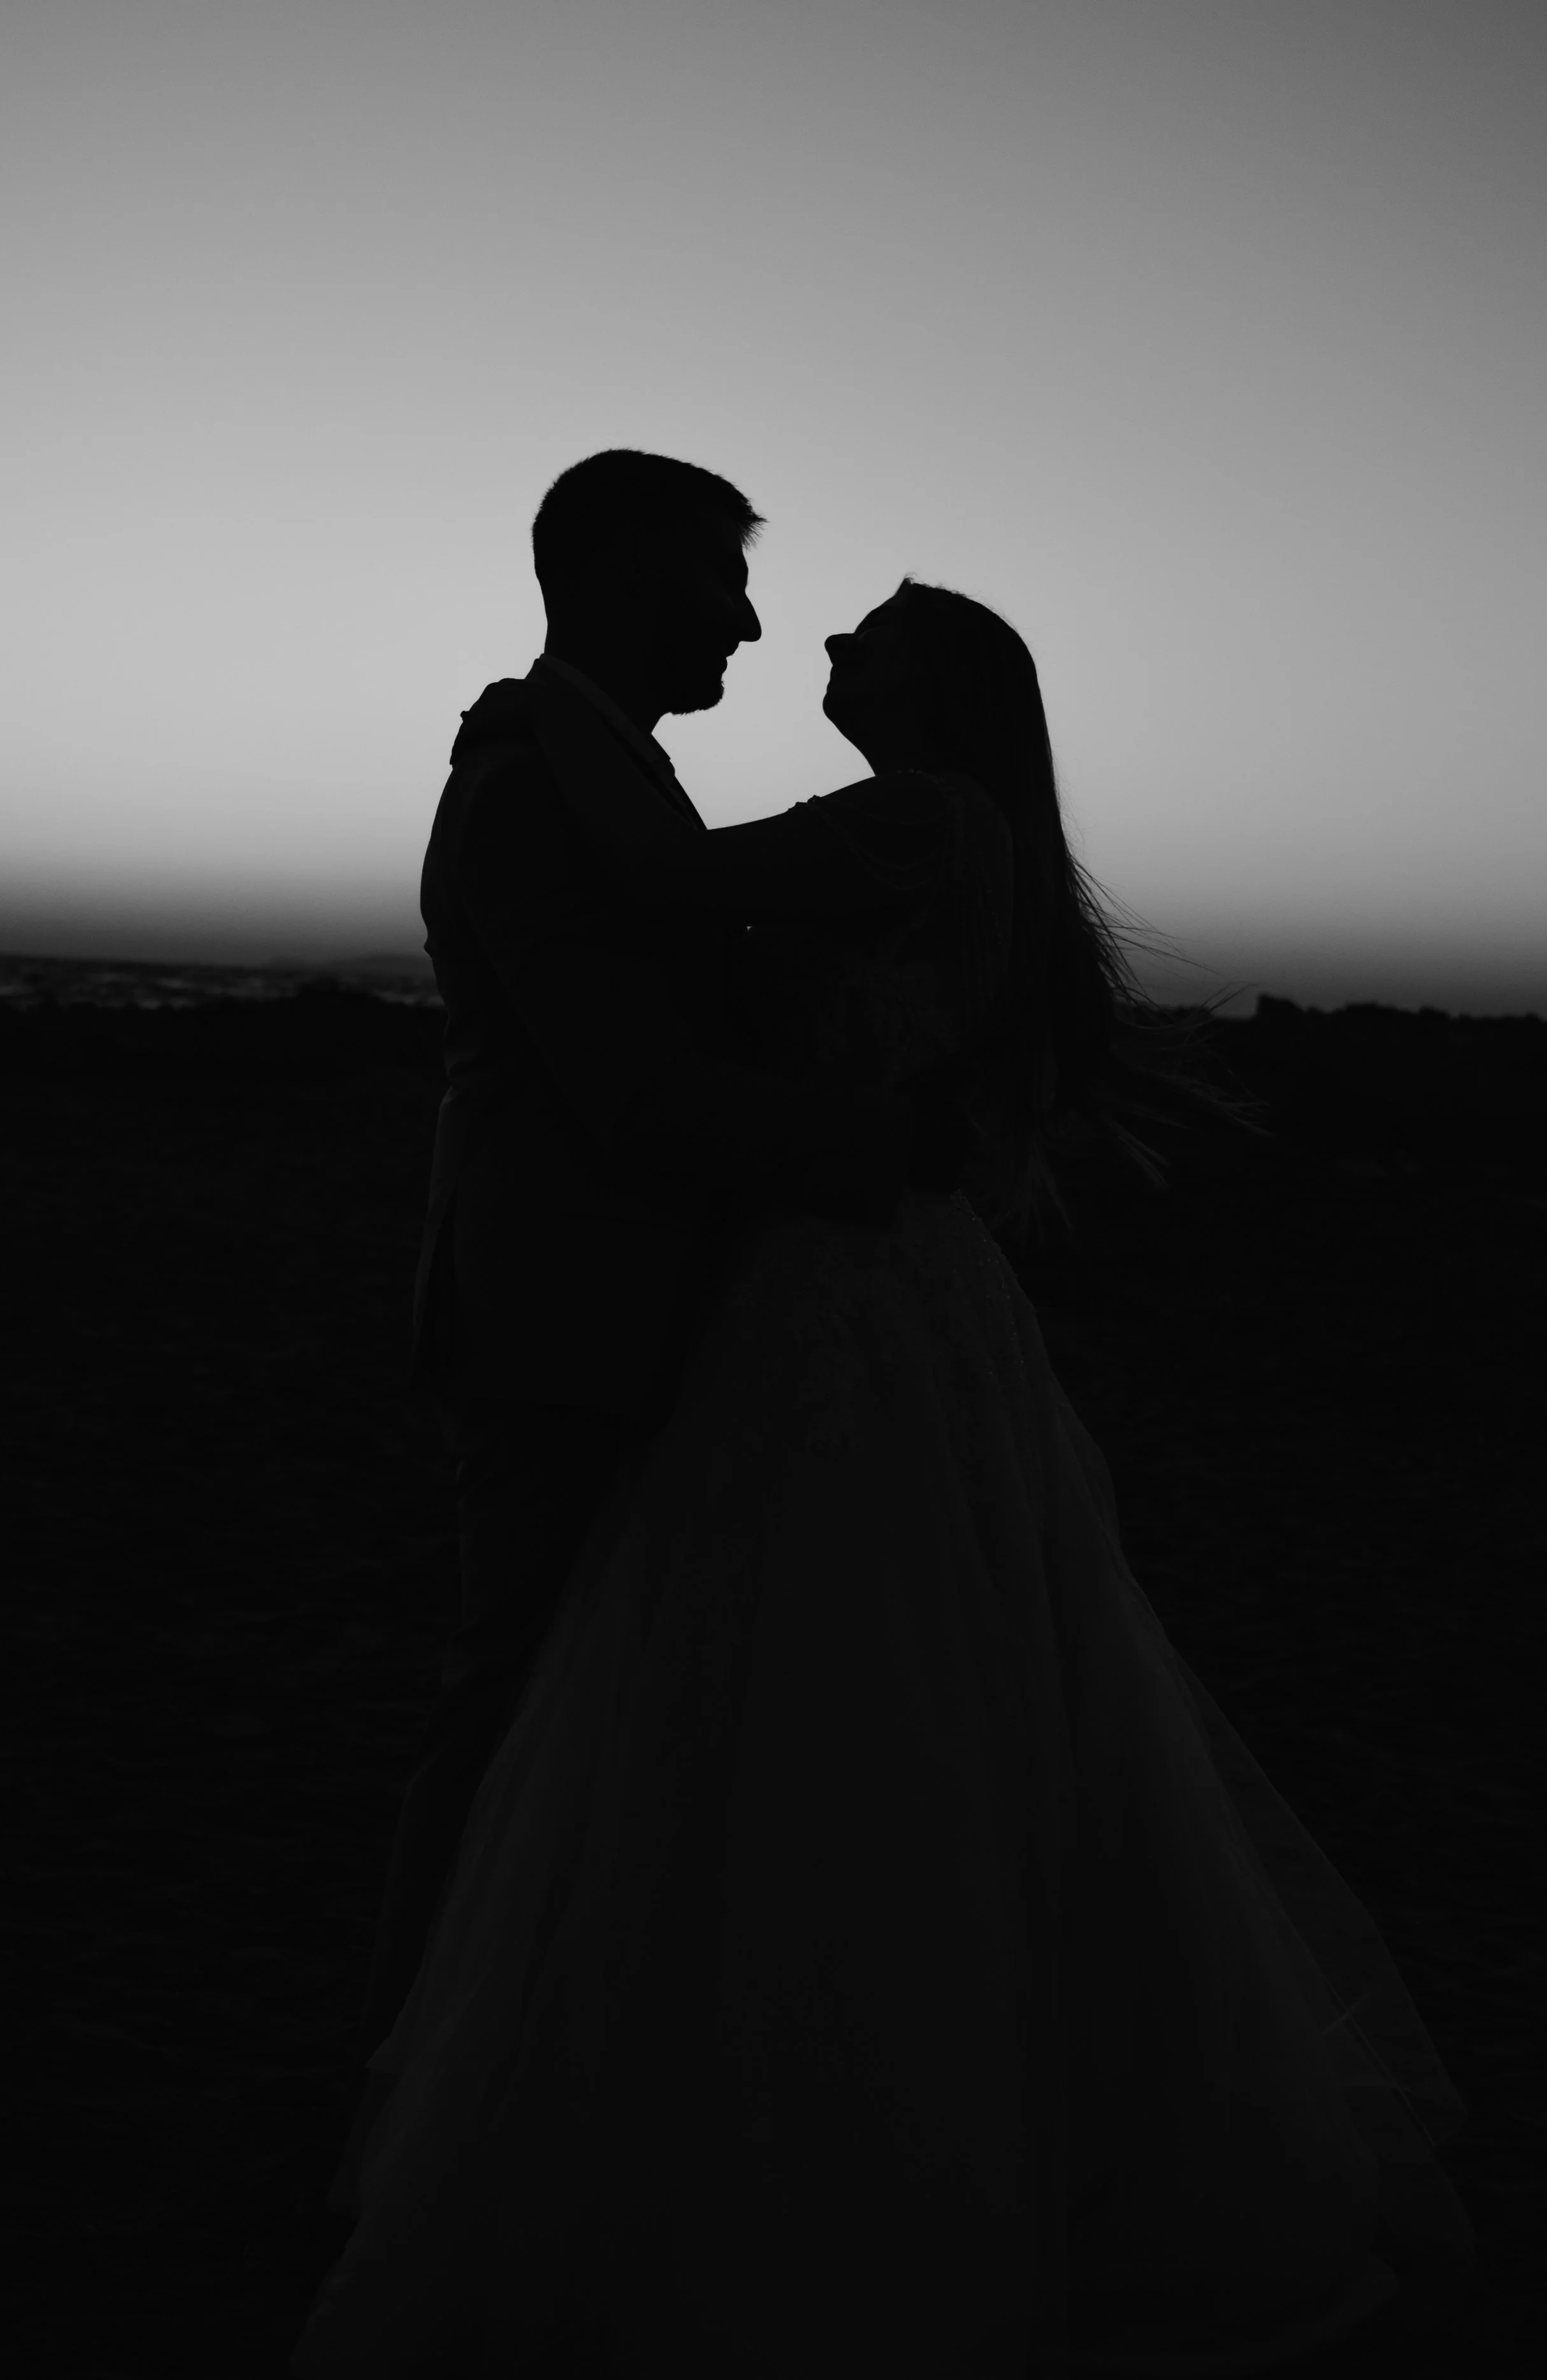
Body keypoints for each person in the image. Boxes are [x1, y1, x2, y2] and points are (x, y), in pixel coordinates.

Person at [298, 574, 1477, 2377]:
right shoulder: (946, 827)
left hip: (836, 1281)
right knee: (890, 1674)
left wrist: (536, 719)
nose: (808, 645)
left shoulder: (917, 815)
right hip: (882, 1274)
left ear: (921, 683)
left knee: (808, 1680)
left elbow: (678, 891)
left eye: (854, 632)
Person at [343, 454, 974, 2184]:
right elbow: (627, 1091)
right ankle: (408, 2110)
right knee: (509, 1708)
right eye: (718, 577)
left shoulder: (603, 775)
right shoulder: (532, 788)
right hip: (563, 1321)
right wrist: (882, 1151)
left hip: (672, 1318)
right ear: (617, 567)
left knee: (608, 1723)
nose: (755, 620)